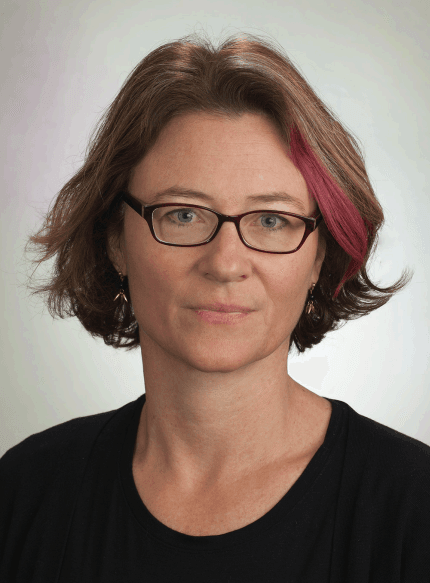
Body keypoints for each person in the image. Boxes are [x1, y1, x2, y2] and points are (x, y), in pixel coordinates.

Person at [1, 31, 429, 582]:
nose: (225, 263)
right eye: (183, 214)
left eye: (271, 220)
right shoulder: (26, 492)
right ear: (115, 239)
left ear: (320, 256)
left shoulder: (412, 508)